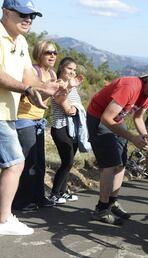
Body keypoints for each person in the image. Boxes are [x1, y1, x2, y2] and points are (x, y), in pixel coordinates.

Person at [0, 0, 61, 236]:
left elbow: (28, 76)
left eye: (32, 16)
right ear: (6, 12)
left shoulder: (22, 41)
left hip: (8, 114)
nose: (28, 20)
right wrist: (26, 90)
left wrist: (48, 87)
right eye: (23, 14)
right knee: (16, 162)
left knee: (14, 163)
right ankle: (4, 219)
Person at [87, 66, 148, 225]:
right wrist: (133, 137)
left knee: (121, 163)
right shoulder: (129, 87)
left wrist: (146, 137)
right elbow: (106, 118)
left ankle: (112, 202)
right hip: (99, 118)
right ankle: (101, 209)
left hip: (117, 120)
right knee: (110, 164)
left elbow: (138, 117)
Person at [13, 40, 58, 211]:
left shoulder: (52, 75)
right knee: (28, 161)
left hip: (38, 121)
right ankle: (20, 201)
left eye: (55, 53)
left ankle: (39, 198)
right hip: (24, 119)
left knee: (39, 162)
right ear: (39, 54)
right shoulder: (32, 71)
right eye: (48, 52)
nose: (52, 55)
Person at [49, 57, 87, 204]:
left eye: (74, 69)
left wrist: (72, 88)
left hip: (73, 128)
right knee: (68, 161)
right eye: (69, 68)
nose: (72, 72)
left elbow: (74, 106)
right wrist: (70, 87)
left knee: (69, 162)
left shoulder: (73, 85)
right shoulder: (58, 83)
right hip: (60, 127)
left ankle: (62, 192)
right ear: (62, 68)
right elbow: (66, 107)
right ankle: (54, 194)